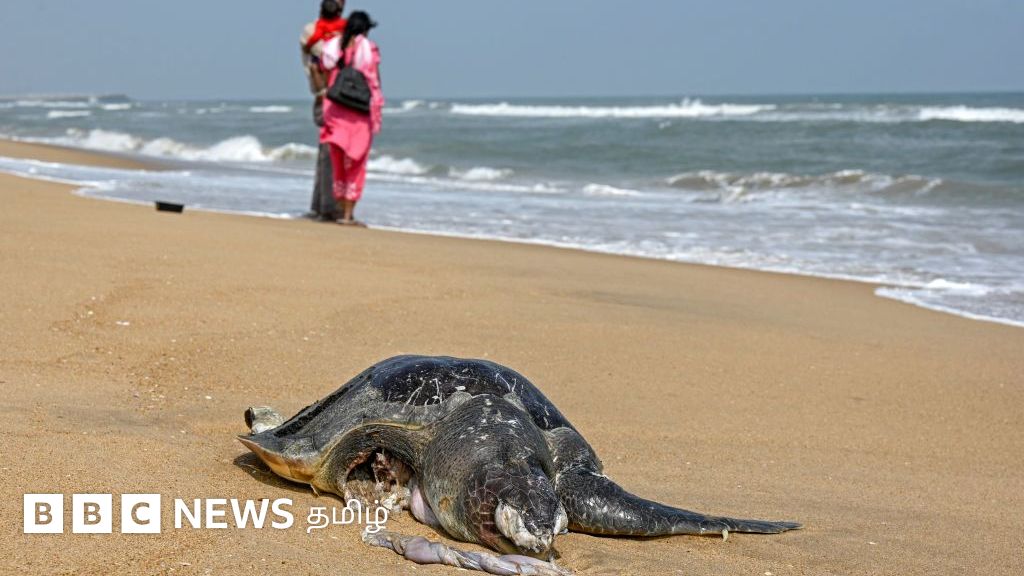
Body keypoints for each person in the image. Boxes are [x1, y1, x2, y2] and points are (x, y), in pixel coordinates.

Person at [320, 11, 383, 226]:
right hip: (358, 113)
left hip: (335, 109)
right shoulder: (369, 49)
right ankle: (348, 215)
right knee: (356, 163)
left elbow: (322, 67)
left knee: (338, 162)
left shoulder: (334, 47)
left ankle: (340, 209)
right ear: (365, 29)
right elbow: (373, 80)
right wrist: (377, 108)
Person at [299, 0, 347, 221]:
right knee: (330, 152)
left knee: (328, 151)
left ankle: (321, 205)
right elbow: (321, 60)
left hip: (341, 97)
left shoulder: (345, 30)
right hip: (326, 96)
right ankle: (328, 207)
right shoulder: (312, 32)